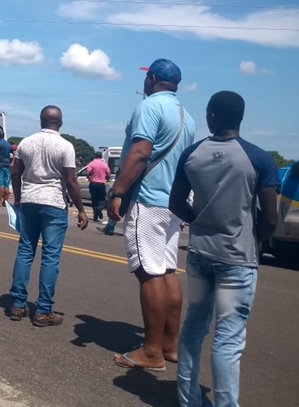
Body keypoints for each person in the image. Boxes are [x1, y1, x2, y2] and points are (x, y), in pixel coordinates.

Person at [169, 91, 280, 406]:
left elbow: (176, 202)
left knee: (194, 326)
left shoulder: (192, 154)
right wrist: (256, 240)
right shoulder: (258, 158)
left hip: (200, 253)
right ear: (240, 118)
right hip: (237, 259)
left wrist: (199, 220)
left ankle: (189, 400)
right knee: (228, 341)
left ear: (211, 116)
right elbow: (270, 216)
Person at [107, 58, 196, 371]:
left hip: (148, 199)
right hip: (173, 202)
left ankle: (151, 350)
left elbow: (140, 152)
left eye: (147, 78)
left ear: (153, 79)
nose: (144, 83)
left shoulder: (149, 107)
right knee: (167, 271)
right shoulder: (188, 117)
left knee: (148, 273)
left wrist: (117, 192)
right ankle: (171, 346)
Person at [9, 106, 88, 327]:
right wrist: (81, 209)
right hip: (53, 203)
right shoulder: (65, 146)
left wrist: (18, 198)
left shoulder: (26, 142)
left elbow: (16, 173)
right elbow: (71, 182)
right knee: (50, 256)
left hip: (29, 201)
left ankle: (17, 304)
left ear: (41, 121)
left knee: (25, 250)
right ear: (60, 123)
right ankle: (43, 310)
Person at [86, 152, 111, 223]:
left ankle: (95, 216)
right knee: (103, 199)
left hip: (93, 183)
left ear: (95, 156)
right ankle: (99, 208)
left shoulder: (91, 163)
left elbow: (87, 173)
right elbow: (108, 174)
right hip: (101, 184)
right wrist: (107, 178)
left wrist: (89, 177)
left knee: (94, 200)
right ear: (101, 156)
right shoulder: (104, 164)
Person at [0, 130, 13, 206]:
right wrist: (12, 162)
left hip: (0, 163)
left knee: (0, 183)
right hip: (7, 164)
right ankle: (5, 201)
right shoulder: (8, 144)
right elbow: (14, 153)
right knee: (6, 183)